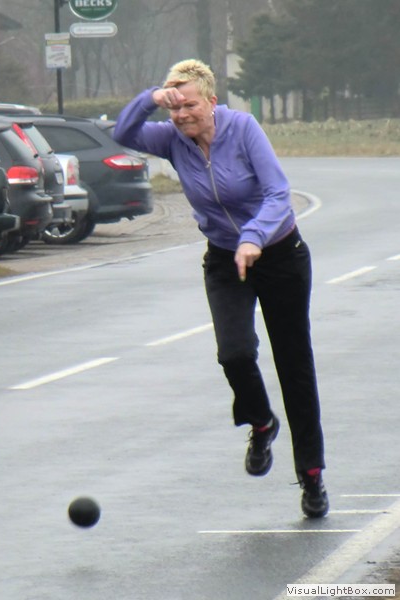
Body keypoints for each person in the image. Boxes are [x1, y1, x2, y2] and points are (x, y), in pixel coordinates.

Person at [113, 59, 328, 518]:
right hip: (225, 260)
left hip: (280, 254)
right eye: (174, 108)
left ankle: (312, 476)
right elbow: (123, 132)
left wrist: (254, 237)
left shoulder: (243, 129)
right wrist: (152, 98)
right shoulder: (171, 139)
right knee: (233, 353)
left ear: (212, 101)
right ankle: (261, 422)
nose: (181, 115)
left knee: (294, 365)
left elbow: (278, 192)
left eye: (189, 105)